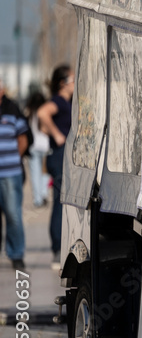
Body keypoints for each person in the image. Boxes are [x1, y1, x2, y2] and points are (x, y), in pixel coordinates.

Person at [37, 64, 74, 270]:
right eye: (72, 80)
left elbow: (43, 126)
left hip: (61, 156)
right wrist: (58, 135)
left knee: (65, 202)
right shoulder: (58, 101)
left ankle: (61, 246)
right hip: (59, 156)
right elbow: (43, 114)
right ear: (63, 84)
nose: (75, 84)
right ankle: (57, 249)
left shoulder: (67, 102)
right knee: (60, 203)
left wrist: (51, 130)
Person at [0, 75, 30, 271]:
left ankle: (16, 254)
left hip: (10, 172)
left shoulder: (12, 109)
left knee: (13, 215)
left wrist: (13, 159)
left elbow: (23, 139)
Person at [23, 91, 50, 207]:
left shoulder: (29, 112)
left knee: (35, 174)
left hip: (33, 147)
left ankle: (37, 199)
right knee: (45, 173)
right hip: (46, 147)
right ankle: (44, 193)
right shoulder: (45, 111)